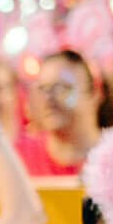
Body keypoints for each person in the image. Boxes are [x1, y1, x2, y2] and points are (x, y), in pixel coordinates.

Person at [31, 52, 104, 180]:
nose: (48, 98)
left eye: (61, 87)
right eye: (42, 88)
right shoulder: (19, 159)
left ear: (94, 94)